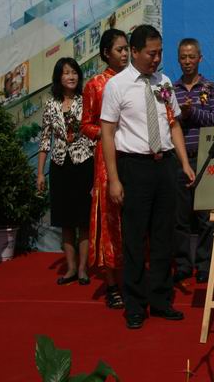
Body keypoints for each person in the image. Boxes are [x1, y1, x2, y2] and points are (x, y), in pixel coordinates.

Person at [101, 25, 195, 330]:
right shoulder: (117, 85)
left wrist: (184, 163)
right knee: (135, 238)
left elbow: (174, 124)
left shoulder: (163, 82)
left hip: (164, 164)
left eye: (159, 53)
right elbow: (107, 133)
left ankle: (161, 299)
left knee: (163, 236)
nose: (156, 59)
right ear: (135, 51)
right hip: (134, 166)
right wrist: (114, 179)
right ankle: (135, 304)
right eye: (151, 54)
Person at [81, 29, 129, 309]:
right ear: (105, 53)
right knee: (109, 218)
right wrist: (107, 132)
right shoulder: (95, 85)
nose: (124, 54)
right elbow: (86, 124)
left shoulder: (136, 81)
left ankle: (135, 278)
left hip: (134, 156)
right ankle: (112, 284)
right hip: (106, 159)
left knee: (134, 217)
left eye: (126, 49)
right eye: (119, 49)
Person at [37, 58, 95, 286]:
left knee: (83, 219)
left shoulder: (86, 101)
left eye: (74, 72)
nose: (71, 77)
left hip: (84, 163)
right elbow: (45, 140)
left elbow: (94, 133)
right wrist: (40, 173)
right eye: (66, 73)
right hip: (60, 165)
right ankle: (70, 268)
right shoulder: (51, 105)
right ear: (58, 77)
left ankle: (82, 268)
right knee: (66, 220)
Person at [172, 38, 214, 284]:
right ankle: (183, 264)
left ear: (200, 58)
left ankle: (204, 264)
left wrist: (192, 113)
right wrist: (181, 116)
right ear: (178, 59)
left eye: (192, 57)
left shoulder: (210, 88)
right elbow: (168, 122)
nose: (187, 61)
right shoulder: (171, 89)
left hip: (204, 160)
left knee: (205, 217)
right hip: (179, 159)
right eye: (183, 57)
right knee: (180, 217)